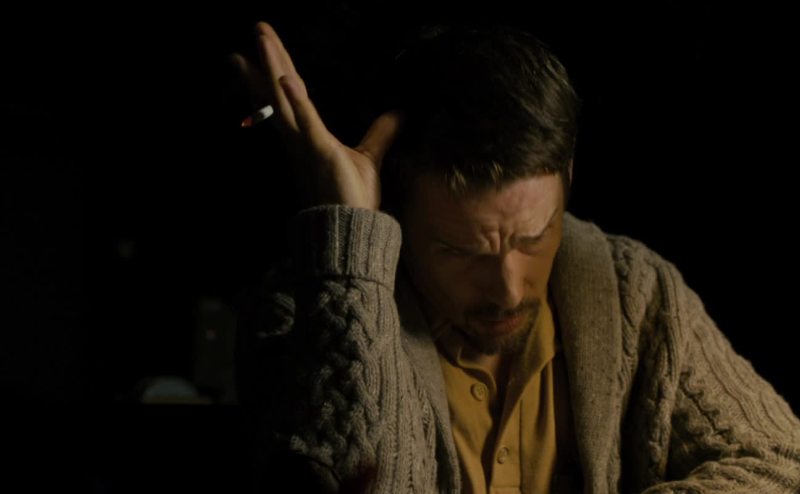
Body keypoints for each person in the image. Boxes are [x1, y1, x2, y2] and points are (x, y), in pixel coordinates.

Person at [231, 21, 800, 493]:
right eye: (461, 251)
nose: (508, 288)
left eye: (533, 239)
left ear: (568, 179)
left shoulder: (636, 290)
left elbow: (779, 458)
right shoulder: (304, 311)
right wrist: (351, 250)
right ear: (396, 212)